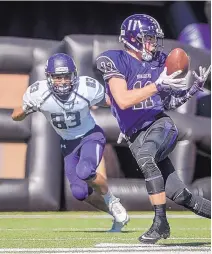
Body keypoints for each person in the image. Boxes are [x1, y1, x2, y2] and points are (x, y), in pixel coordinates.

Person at [96, 14, 211, 244]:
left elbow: (168, 103)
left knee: (147, 158)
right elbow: (123, 100)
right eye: (147, 38)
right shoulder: (114, 60)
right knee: (179, 194)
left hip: (160, 125)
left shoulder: (159, 60)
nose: (152, 44)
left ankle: (160, 223)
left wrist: (192, 89)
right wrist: (157, 85)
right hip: (135, 135)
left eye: (153, 39)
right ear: (132, 38)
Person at [11, 53, 129, 232]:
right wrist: (26, 109)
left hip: (91, 136)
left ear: (73, 75)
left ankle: (113, 201)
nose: (63, 81)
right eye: (58, 77)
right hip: (68, 145)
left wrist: (128, 120)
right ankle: (115, 214)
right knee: (79, 193)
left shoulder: (85, 87)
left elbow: (113, 102)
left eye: (66, 76)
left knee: (85, 170)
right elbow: (15, 116)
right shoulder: (38, 93)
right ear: (49, 78)